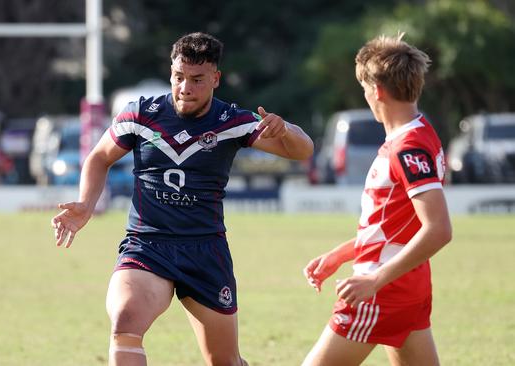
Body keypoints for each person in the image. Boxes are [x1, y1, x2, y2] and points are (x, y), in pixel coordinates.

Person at [51, 32, 313, 366]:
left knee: (224, 360)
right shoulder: (142, 115)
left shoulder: (232, 121)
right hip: (147, 245)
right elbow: (99, 157)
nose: (185, 88)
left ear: (215, 79)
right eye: (179, 77)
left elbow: (302, 151)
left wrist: (286, 129)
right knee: (125, 324)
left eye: (197, 79)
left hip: (204, 250)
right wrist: (86, 204)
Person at [302, 33, 452, 366]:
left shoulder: (408, 147)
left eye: (365, 89)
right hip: (405, 286)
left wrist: (374, 280)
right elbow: (393, 226)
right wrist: (340, 254)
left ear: (378, 91)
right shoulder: (421, 131)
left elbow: (438, 229)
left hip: (383, 291)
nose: (366, 96)